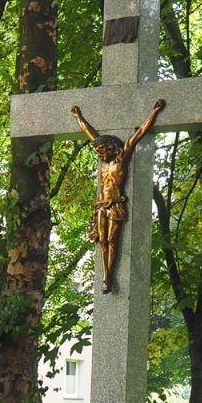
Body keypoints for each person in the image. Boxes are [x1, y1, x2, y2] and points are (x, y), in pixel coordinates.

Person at [70, 98, 164, 293]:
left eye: (103, 152)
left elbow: (138, 134)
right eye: (99, 153)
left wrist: (154, 112)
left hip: (115, 205)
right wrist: (79, 117)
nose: (100, 156)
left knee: (112, 240)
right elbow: (91, 134)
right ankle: (106, 275)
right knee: (102, 241)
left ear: (112, 148)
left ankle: (108, 277)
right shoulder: (103, 161)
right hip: (100, 205)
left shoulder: (121, 160)